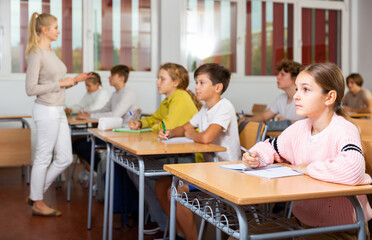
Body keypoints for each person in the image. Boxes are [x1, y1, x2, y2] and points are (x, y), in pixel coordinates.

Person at [242, 62, 372, 239]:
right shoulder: (300, 128)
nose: (296, 96)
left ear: (329, 97)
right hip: (303, 223)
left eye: (306, 90)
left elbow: (353, 169)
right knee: (243, 234)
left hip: (343, 230)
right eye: (297, 89)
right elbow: (271, 146)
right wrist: (256, 156)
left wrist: (308, 167)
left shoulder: (343, 129)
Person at [156, 63, 241, 240]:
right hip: (210, 170)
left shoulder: (224, 107)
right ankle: (181, 232)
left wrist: (191, 134)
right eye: (196, 82)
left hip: (227, 172)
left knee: (176, 191)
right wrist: (170, 133)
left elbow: (207, 137)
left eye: (202, 82)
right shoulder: (204, 109)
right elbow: (185, 128)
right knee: (161, 184)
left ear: (218, 87)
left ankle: (191, 237)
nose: (196, 87)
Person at [25, 12, 92, 216]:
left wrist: (74, 80)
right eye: (55, 28)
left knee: (64, 158)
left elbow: (54, 85)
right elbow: (31, 89)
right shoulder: (37, 53)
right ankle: (37, 200)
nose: (59, 31)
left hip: (58, 109)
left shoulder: (51, 52)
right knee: (43, 157)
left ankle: (35, 194)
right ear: (44, 30)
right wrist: (62, 82)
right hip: (46, 110)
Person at [127, 62, 202, 238]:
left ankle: (165, 224)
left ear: (175, 82)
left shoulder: (181, 98)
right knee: (135, 169)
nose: (157, 82)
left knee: (138, 170)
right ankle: (166, 223)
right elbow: (155, 118)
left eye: (162, 78)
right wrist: (140, 123)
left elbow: (165, 125)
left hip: (191, 158)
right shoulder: (169, 100)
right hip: (177, 152)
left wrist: (151, 125)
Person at [73, 65, 138, 171]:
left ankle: (101, 171)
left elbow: (115, 115)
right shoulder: (115, 94)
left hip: (122, 135)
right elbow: (104, 110)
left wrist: (90, 116)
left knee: (81, 145)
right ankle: (101, 171)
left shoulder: (128, 94)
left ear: (121, 78)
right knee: (78, 143)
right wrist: (87, 114)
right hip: (113, 132)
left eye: (112, 75)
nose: (109, 78)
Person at [246, 60, 305, 131]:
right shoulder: (281, 98)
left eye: (282, 75)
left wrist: (289, 122)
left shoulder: (304, 97)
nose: (278, 77)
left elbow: (312, 121)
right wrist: (246, 120)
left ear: (295, 78)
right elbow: (264, 116)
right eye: (278, 74)